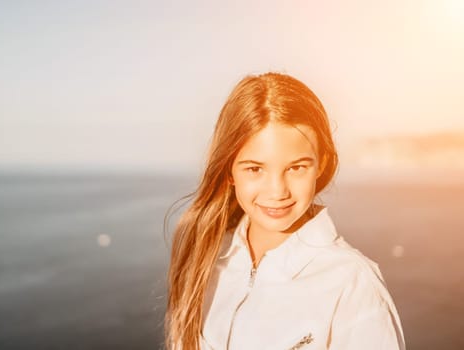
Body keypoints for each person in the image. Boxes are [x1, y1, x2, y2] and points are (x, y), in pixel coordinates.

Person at [165, 72, 405, 350]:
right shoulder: (203, 260)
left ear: (321, 164)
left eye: (296, 167)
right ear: (228, 170)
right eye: (255, 169)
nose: (277, 191)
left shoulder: (352, 283)